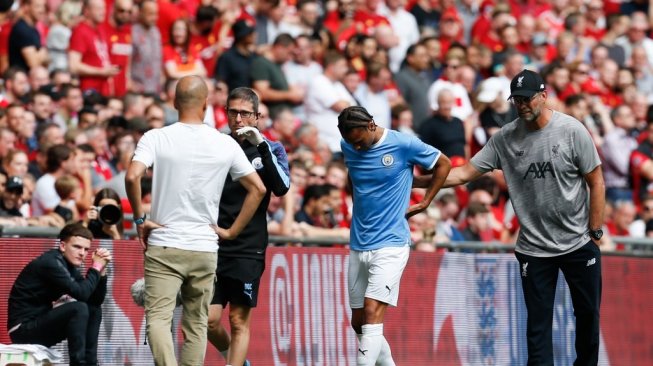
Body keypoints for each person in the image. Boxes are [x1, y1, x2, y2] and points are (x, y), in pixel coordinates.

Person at [442, 69, 605, 365]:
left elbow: (596, 180)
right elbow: (464, 173)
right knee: (537, 326)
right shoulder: (505, 138)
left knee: (588, 316)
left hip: (578, 241)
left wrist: (595, 230)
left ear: (544, 96)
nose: (522, 105)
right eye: (516, 100)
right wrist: (414, 181)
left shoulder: (571, 130)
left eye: (527, 99)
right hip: (534, 248)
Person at [125, 75, 265, 366]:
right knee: (197, 324)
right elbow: (259, 188)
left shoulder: (155, 137)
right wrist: (231, 231)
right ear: (206, 104)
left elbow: (132, 176)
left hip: (165, 243)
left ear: (174, 103)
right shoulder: (224, 143)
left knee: (159, 321)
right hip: (204, 247)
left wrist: (140, 219)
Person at [337, 105, 451, 366]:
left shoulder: (403, 144)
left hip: (391, 243)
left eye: (358, 141)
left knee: (372, 311)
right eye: (349, 143)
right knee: (359, 322)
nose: (356, 148)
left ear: (371, 126)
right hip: (358, 242)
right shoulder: (349, 146)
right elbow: (353, 174)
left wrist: (426, 202)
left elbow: (443, 164)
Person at [206, 87, 290, 366]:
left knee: (238, 320)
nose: (238, 119)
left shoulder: (272, 148)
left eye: (244, 113)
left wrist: (263, 145)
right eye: (233, 112)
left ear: (257, 116)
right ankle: (238, 362)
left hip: (248, 247)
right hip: (214, 243)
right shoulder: (217, 145)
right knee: (209, 320)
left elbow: (281, 187)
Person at [7, 223, 112, 366]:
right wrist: (95, 267)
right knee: (79, 308)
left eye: (86, 249)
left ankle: (91, 363)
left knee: (93, 310)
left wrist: (102, 271)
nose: (82, 253)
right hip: (22, 330)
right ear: (63, 246)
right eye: (77, 247)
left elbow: (94, 300)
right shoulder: (51, 262)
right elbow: (82, 294)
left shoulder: (69, 265)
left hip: (39, 324)